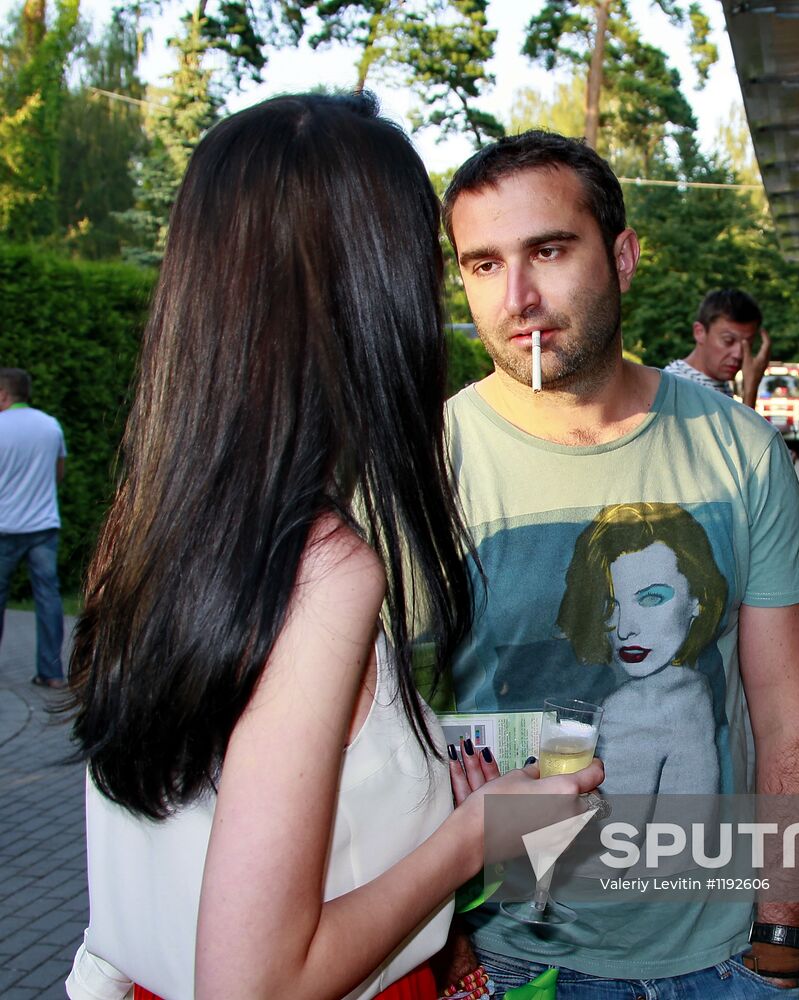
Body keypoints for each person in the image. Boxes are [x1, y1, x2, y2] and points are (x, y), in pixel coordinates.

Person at [64, 94, 601, 1000]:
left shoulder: (148, 524)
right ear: (373, 292)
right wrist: (475, 837)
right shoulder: (323, 568)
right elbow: (256, 982)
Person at [441, 130, 799, 996]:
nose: (519, 297)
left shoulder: (738, 450)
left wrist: (781, 938)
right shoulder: (425, 465)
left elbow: (791, 716)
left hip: (720, 959)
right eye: (482, 265)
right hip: (507, 959)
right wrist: (447, 951)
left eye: (548, 250)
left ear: (621, 256)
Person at [557, 502, 727, 798]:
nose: (624, 629)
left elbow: (608, 833)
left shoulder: (634, 706)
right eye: (611, 605)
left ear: (697, 597)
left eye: (650, 599)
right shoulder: (695, 690)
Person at [0, 367, 67, 690]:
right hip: (43, 527)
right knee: (48, 598)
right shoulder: (50, 426)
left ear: (3, 394)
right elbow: (58, 473)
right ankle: (52, 672)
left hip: (4, 526)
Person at [664, 288, 771, 407]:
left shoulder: (719, 385)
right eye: (728, 341)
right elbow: (741, 426)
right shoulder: (677, 389)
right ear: (699, 332)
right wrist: (751, 387)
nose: (739, 354)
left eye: (748, 345)